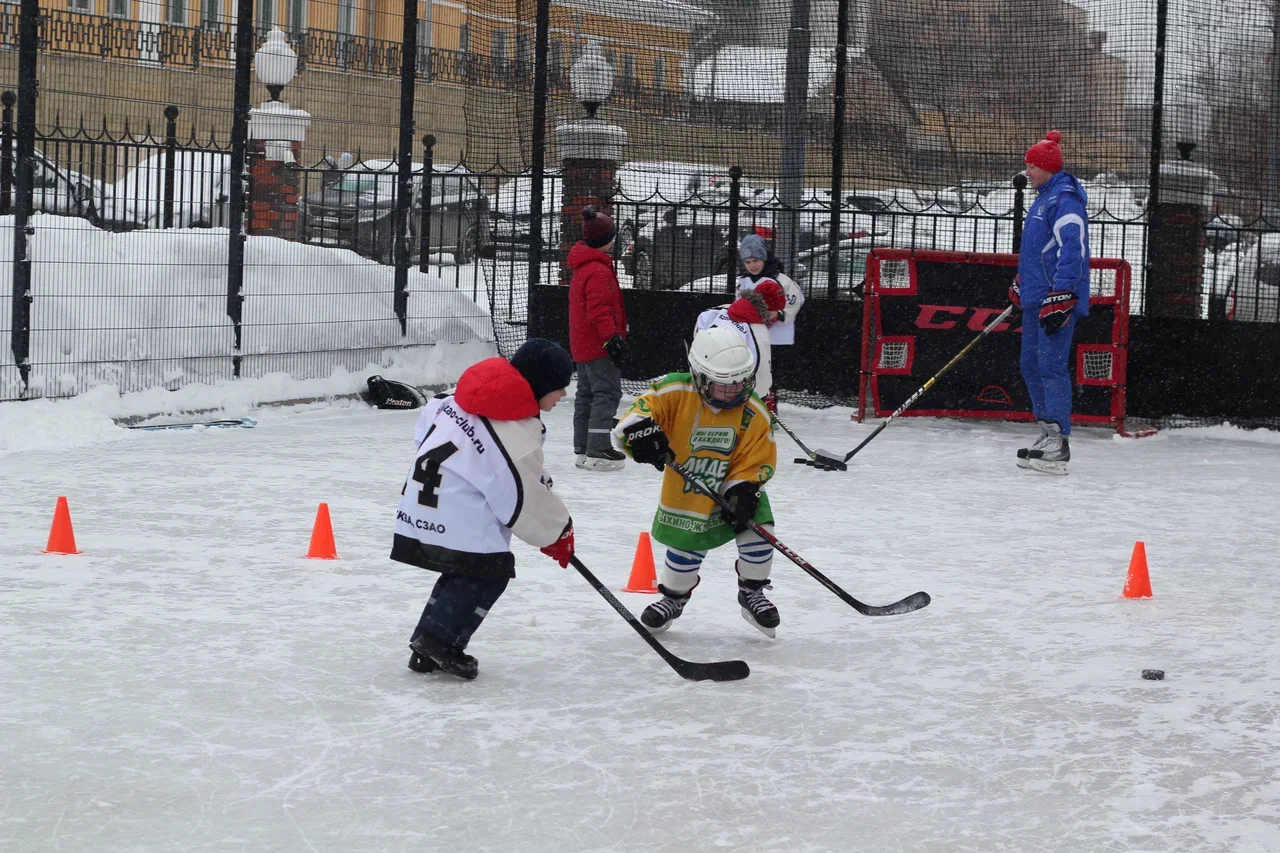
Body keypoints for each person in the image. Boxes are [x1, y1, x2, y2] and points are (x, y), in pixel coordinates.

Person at [392, 338, 577, 680]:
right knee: (489, 571)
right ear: (540, 386)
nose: (564, 395)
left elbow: (427, 423)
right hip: (458, 508)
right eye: (559, 387)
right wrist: (556, 531)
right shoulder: (514, 432)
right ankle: (440, 643)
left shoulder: (452, 400)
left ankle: (426, 645)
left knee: (463, 570)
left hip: (425, 499)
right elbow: (522, 493)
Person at [612, 324, 782, 638]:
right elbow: (640, 412)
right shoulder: (674, 390)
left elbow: (757, 455)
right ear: (700, 376)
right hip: (688, 491)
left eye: (741, 382)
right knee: (685, 546)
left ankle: (752, 591)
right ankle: (674, 597)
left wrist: (742, 489)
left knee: (760, 533)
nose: (735, 391)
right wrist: (640, 434)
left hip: (736, 486)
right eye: (724, 385)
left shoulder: (753, 410)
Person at [1010, 130, 1090, 475]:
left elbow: (1074, 250)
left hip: (1055, 301)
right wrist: (1021, 282)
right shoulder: (1042, 198)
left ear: (1046, 167)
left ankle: (1060, 439)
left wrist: (1063, 294)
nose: (1026, 171)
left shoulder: (1064, 200)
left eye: (1031, 166)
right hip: (1035, 297)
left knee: (1051, 366)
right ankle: (1046, 432)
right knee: (1030, 363)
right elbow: (1037, 252)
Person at [568, 205, 629, 472]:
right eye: (612, 236)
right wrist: (613, 338)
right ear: (605, 240)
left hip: (581, 343)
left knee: (586, 394)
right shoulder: (598, 271)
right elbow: (600, 310)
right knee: (606, 392)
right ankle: (598, 448)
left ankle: (583, 448)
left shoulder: (583, 266)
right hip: (597, 343)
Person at [736, 234, 806, 412]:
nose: (753, 265)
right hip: (753, 335)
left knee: (770, 373)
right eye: (748, 261)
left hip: (776, 336)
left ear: (764, 258)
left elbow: (795, 300)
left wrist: (779, 314)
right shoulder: (743, 281)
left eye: (756, 260)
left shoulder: (781, 279)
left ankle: (769, 408)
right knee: (751, 369)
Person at [693, 278, 787, 400]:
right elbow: (761, 370)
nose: (776, 315)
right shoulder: (757, 331)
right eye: (776, 311)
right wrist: (761, 396)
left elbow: (699, 338)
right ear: (767, 308)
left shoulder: (716, 311)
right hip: (733, 392)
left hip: (705, 382)